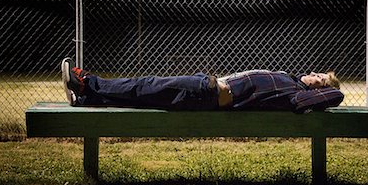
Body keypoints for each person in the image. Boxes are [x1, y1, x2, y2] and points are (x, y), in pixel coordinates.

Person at [61, 57, 344, 113]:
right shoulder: (290, 79)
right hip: (206, 83)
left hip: (208, 94)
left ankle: (86, 83)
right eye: (318, 74)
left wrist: (329, 88)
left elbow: (336, 96)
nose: (314, 74)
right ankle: (87, 101)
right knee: (145, 96)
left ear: (317, 90)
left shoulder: (297, 95)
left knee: (143, 86)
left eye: (320, 78)